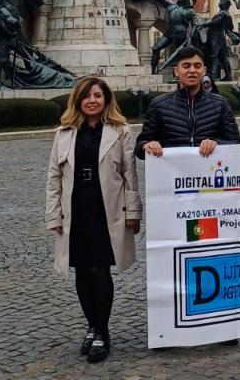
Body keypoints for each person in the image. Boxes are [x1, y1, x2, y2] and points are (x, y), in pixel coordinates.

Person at [45, 77, 142, 364]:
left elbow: (130, 175)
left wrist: (133, 212)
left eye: (98, 96)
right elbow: (53, 177)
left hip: (106, 209)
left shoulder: (120, 131)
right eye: (87, 96)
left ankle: (102, 331)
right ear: (78, 101)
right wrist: (54, 214)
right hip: (76, 207)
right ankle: (90, 326)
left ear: (106, 100)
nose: (92, 101)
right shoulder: (64, 133)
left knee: (100, 270)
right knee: (82, 271)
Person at [137, 48, 240, 160]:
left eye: (197, 66)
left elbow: (236, 143)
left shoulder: (220, 104)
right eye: (186, 66)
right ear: (176, 71)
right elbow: (140, 147)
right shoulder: (158, 104)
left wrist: (216, 143)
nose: (192, 70)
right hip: (173, 174)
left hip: (208, 173)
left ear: (204, 70)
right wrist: (147, 145)